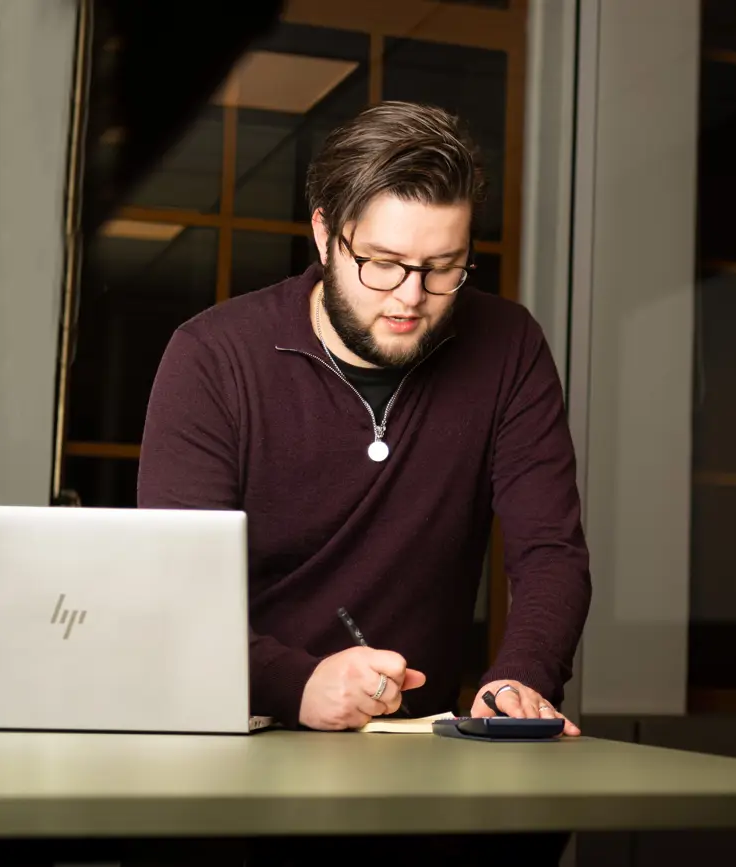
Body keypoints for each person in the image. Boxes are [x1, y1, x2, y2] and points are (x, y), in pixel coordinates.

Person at [137, 101, 591, 738]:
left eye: (443, 268)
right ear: (325, 234)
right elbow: (179, 589)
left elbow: (550, 553)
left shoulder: (509, 345)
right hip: (237, 726)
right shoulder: (213, 355)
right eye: (381, 263)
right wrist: (296, 683)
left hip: (416, 741)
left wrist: (521, 678)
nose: (411, 297)